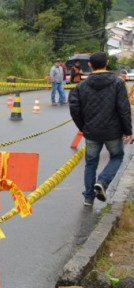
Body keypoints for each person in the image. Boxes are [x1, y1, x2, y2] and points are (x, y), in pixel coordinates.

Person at [69, 52, 132, 206]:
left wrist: (83, 127)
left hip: (91, 131)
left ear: (90, 65)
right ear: (107, 62)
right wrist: (128, 130)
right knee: (116, 157)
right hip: (113, 131)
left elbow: (74, 108)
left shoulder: (81, 86)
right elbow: (124, 109)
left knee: (90, 163)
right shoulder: (117, 83)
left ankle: (88, 198)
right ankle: (103, 182)